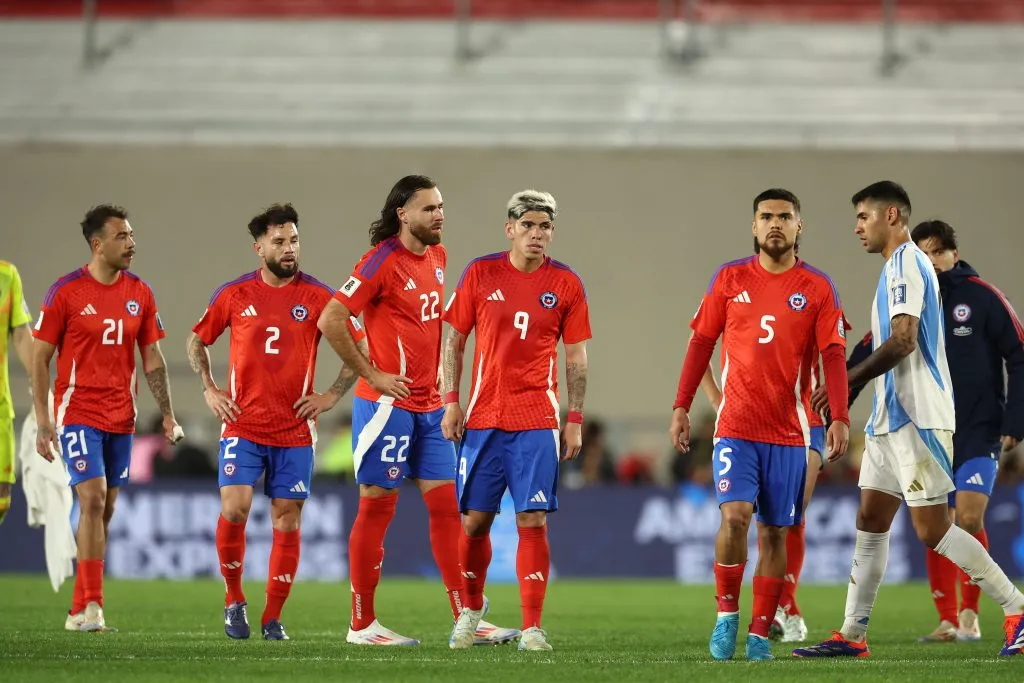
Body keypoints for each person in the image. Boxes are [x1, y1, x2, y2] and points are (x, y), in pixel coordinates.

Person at [794, 181, 1024, 658]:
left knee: (932, 529)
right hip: (888, 420)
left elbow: (903, 341)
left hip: (917, 417)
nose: (857, 226)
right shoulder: (893, 269)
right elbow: (882, 341)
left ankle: (1017, 609)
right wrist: (853, 392)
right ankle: (852, 636)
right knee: (871, 519)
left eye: (863, 216)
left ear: (891, 214)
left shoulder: (905, 263)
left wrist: (845, 383)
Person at [317, 175, 518, 647]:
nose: (440, 215)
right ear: (403, 214)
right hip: (388, 406)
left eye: (442, 206)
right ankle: (361, 624)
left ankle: (468, 616)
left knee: (450, 511)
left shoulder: (439, 257)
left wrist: (446, 384)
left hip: (430, 406)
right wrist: (372, 373)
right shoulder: (379, 260)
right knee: (377, 507)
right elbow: (331, 318)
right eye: (429, 209)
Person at [670, 188, 852, 662]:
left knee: (776, 531)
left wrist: (839, 415)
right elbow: (700, 344)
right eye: (766, 216)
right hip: (735, 426)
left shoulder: (817, 287)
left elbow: (834, 354)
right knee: (734, 517)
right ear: (753, 226)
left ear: (799, 226)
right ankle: (727, 613)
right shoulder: (729, 279)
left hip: (790, 431)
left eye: (784, 217)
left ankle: (758, 631)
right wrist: (682, 405)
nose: (775, 224)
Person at [845, 219, 1024, 643]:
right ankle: (918, 623)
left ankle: (978, 612)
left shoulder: (981, 298)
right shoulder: (908, 292)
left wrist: (1015, 421)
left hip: (973, 429)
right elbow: (870, 347)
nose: (929, 263)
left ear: (953, 256)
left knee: (961, 517)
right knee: (893, 521)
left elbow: (1019, 354)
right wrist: (839, 404)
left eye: (935, 254)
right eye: (921, 255)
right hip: (905, 424)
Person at [187, 203, 360, 641]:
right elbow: (196, 340)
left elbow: (359, 353)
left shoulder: (321, 298)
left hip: (295, 432)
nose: (289, 248)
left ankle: (272, 618)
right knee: (235, 508)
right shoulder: (234, 294)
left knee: (287, 519)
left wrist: (330, 396)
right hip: (243, 425)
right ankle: (233, 600)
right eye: (279, 241)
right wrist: (209, 388)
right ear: (258, 247)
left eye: (294, 240)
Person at [442, 190, 591, 652]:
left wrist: (575, 417)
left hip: (536, 420)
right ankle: (470, 611)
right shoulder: (480, 273)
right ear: (510, 228)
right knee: (474, 523)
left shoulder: (566, 283)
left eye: (544, 226)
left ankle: (531, 627)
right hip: (483, 418)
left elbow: (576, 357)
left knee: (532, 519)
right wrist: (450, 400)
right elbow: (454, 341)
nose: (536, 234)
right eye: (528, 225)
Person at [31, 204, 184, 632]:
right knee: (93, 500)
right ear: (98, 245)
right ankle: (94, 606)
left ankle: (78, 608)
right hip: (78, 412)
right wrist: (44, 420)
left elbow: (152, 358)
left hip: (122, 416)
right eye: (123, 236)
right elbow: (40, 358)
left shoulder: (141, 292)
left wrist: (168, 415)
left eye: (132, 235)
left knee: (105, 509)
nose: (132, 243)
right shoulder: (65, 292)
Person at [0, 260, 34, 525]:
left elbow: (22, 335)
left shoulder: (7, 275)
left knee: (1, 499)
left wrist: (40, 381)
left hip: (1, 409)